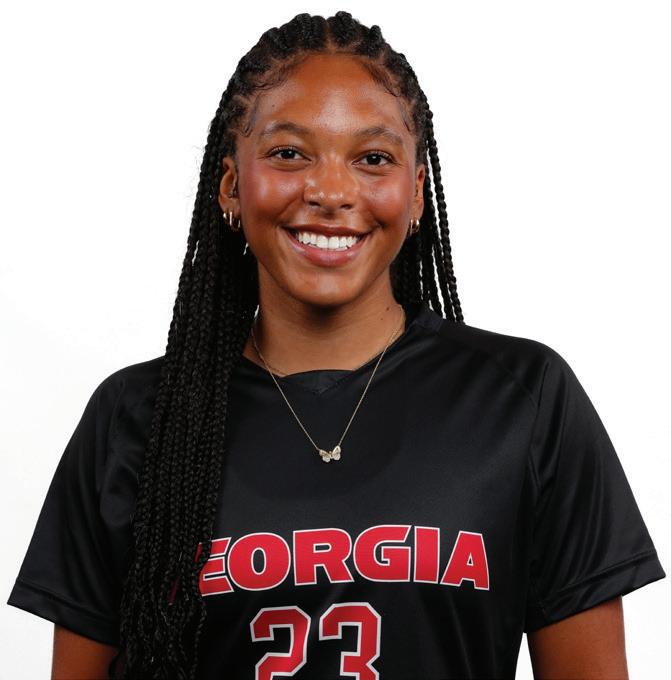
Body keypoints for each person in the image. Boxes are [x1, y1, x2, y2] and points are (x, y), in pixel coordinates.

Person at [6, 10, 665, 680]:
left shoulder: (522, 400)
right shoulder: (138, 418)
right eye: (289, 154)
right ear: (231, 185)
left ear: (416, 192)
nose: (330, 192)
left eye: (372, 159)